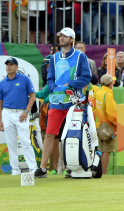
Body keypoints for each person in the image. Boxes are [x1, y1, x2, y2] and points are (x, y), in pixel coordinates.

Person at [34, 27, 91, 178]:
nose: (61, 38)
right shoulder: (53, 58)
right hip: (55, 102)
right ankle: (42, 168)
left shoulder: (80, 56)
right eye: (60, 36)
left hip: (74, 101)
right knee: (49, 134)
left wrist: (70, 85)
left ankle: (72, 167)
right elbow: (50, 78)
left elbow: (86, 77)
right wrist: (53, 88)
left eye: (65, 36)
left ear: (72, 39)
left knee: (73, 135)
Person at [0, 57, 37, 175]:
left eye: (11, 64)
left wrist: (26, 111)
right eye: (7, 64)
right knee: (11, 142)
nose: (8, 66)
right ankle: (15, 169)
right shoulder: (2, 82)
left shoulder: (25, 79)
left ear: (16, 67)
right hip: (7, 113)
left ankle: (33, 168)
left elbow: (32, 96)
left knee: (25, 141)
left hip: (21, 113)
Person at [92, 74, 117, 175]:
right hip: (108, 127)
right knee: (107, 150)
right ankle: (103, 173)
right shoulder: (109, 95)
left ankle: (98, 171)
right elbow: (111, 114)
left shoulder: (98, 92)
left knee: (101, 150)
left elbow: (94, 107)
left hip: (99, 125)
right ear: (110, 84)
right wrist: (117, 123)